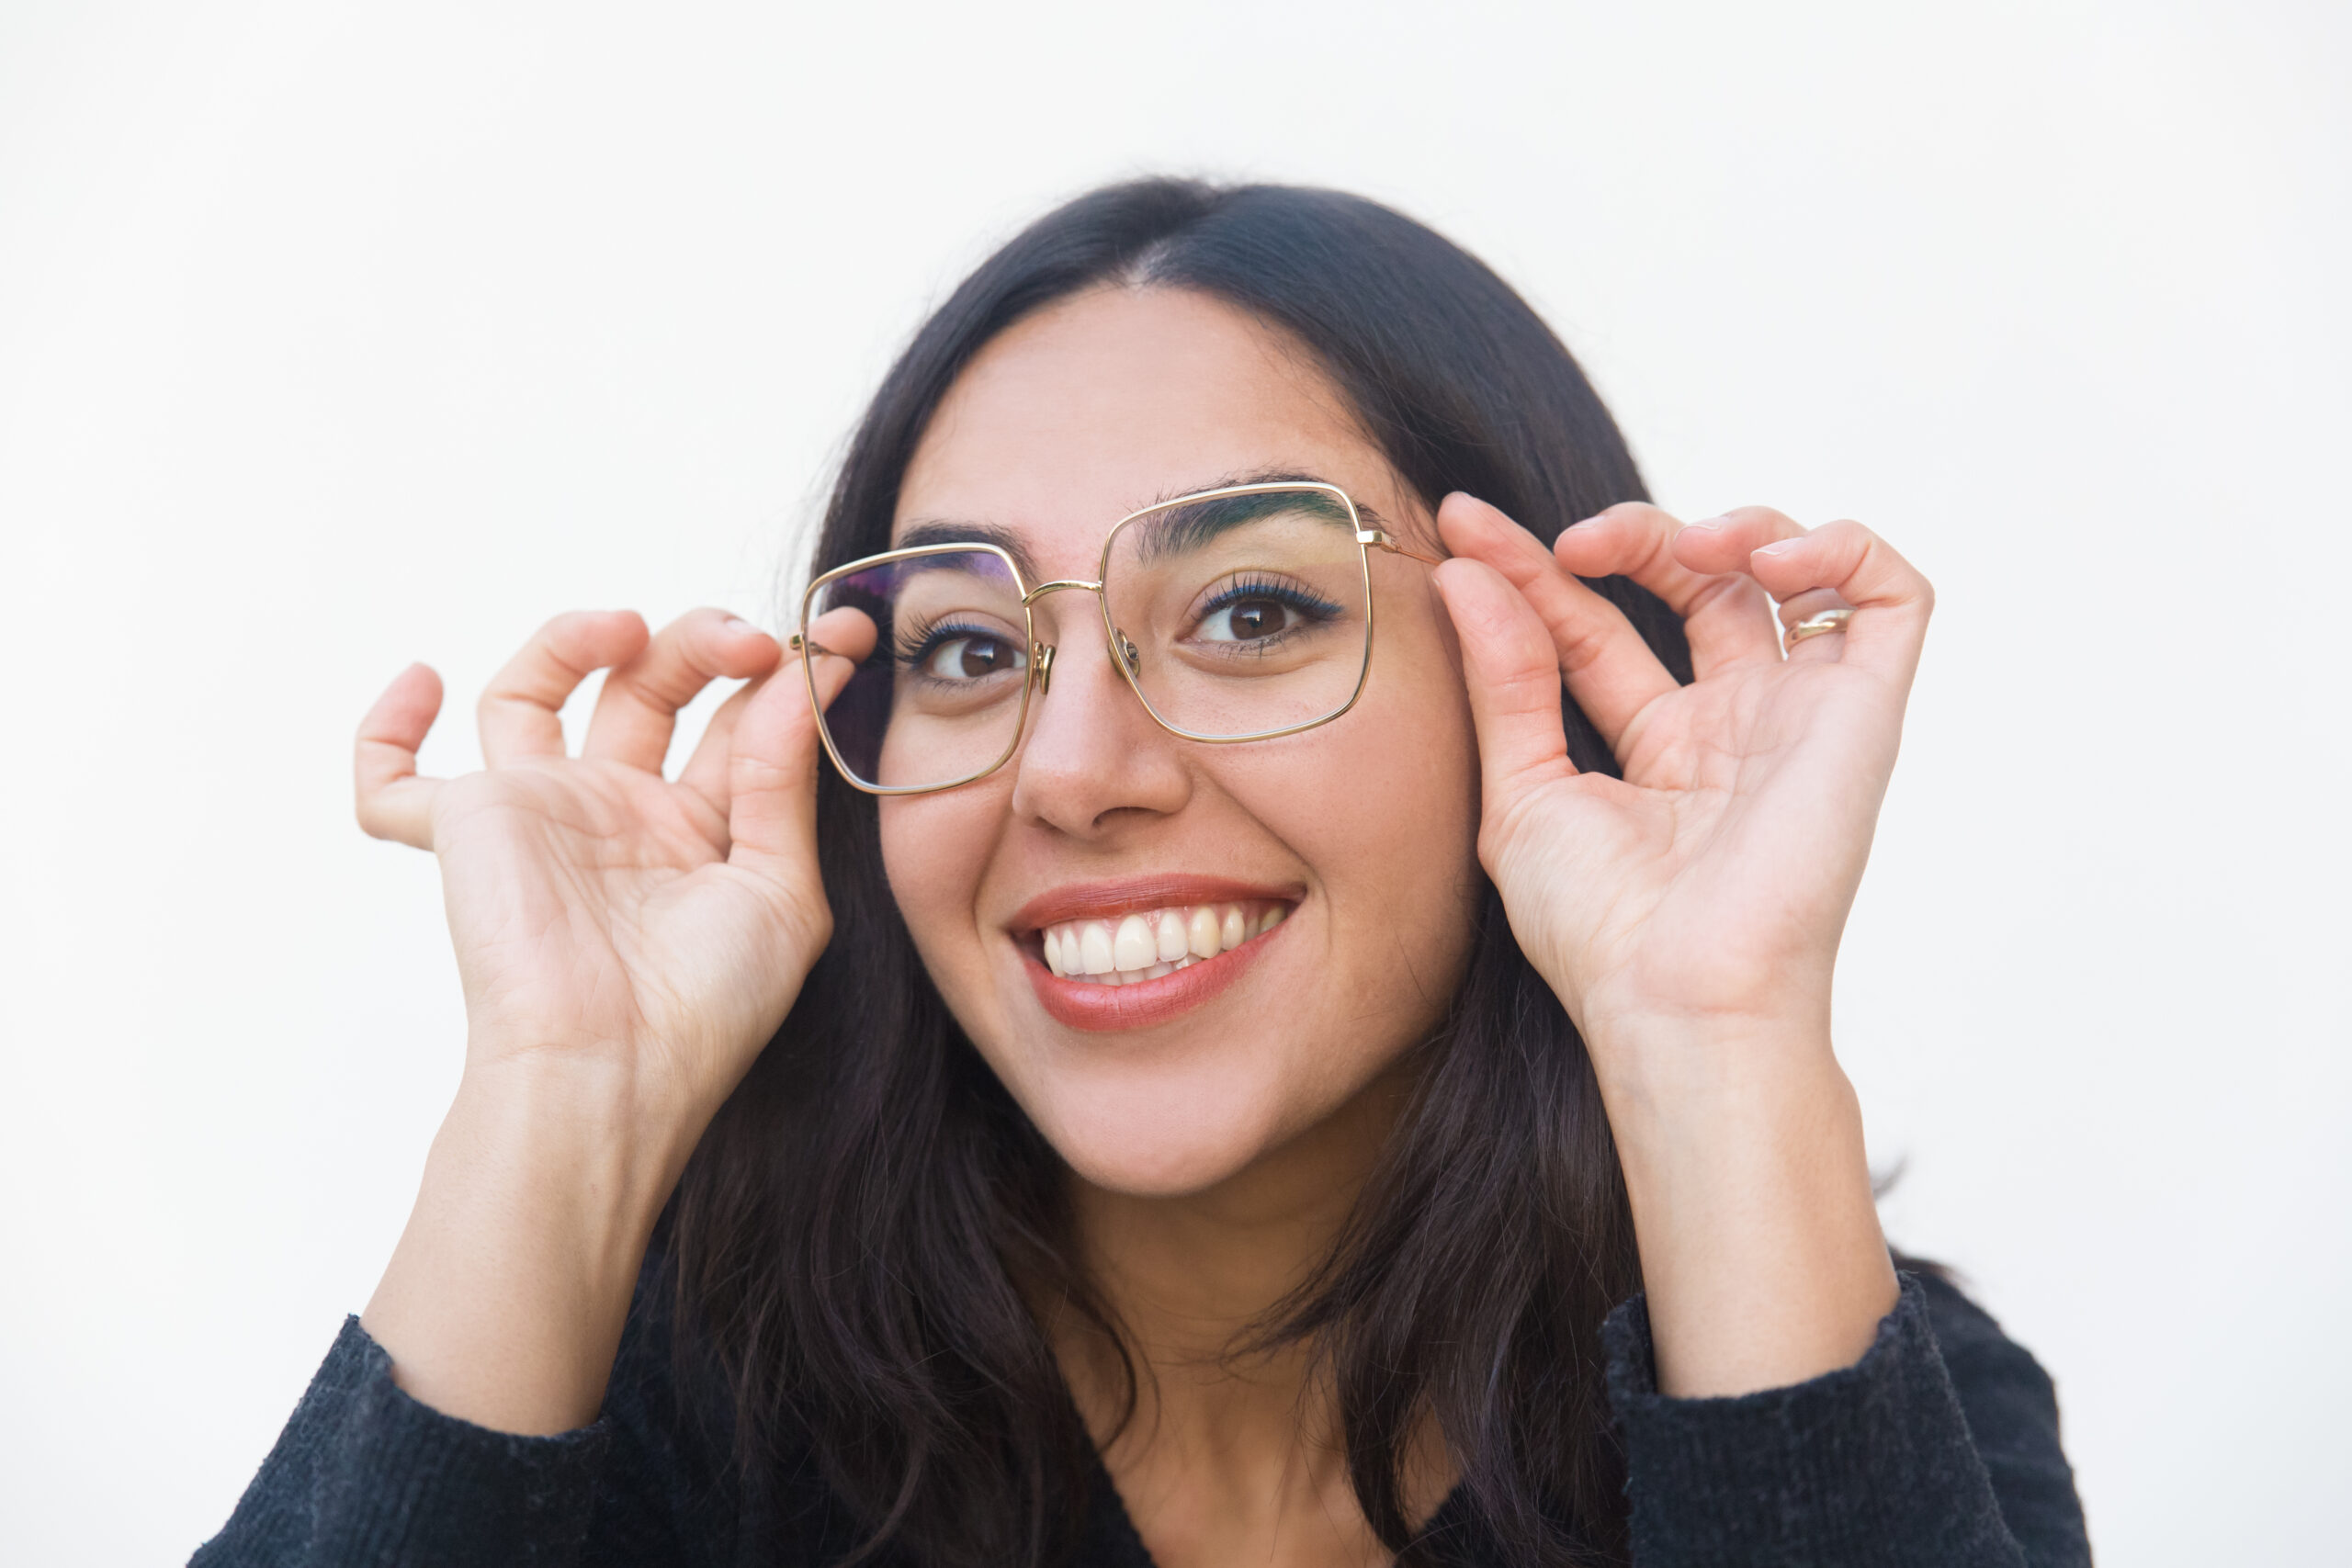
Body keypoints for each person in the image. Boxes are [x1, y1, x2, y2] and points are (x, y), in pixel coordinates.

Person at [195, 179, 2089, 1568]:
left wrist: (1715, 1024)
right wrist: (562, 1095)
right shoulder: (681, 1393)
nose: (1074, 769)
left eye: (1252, 608)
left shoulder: (1863, 1386)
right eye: (959, 648)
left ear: (1540, 679)